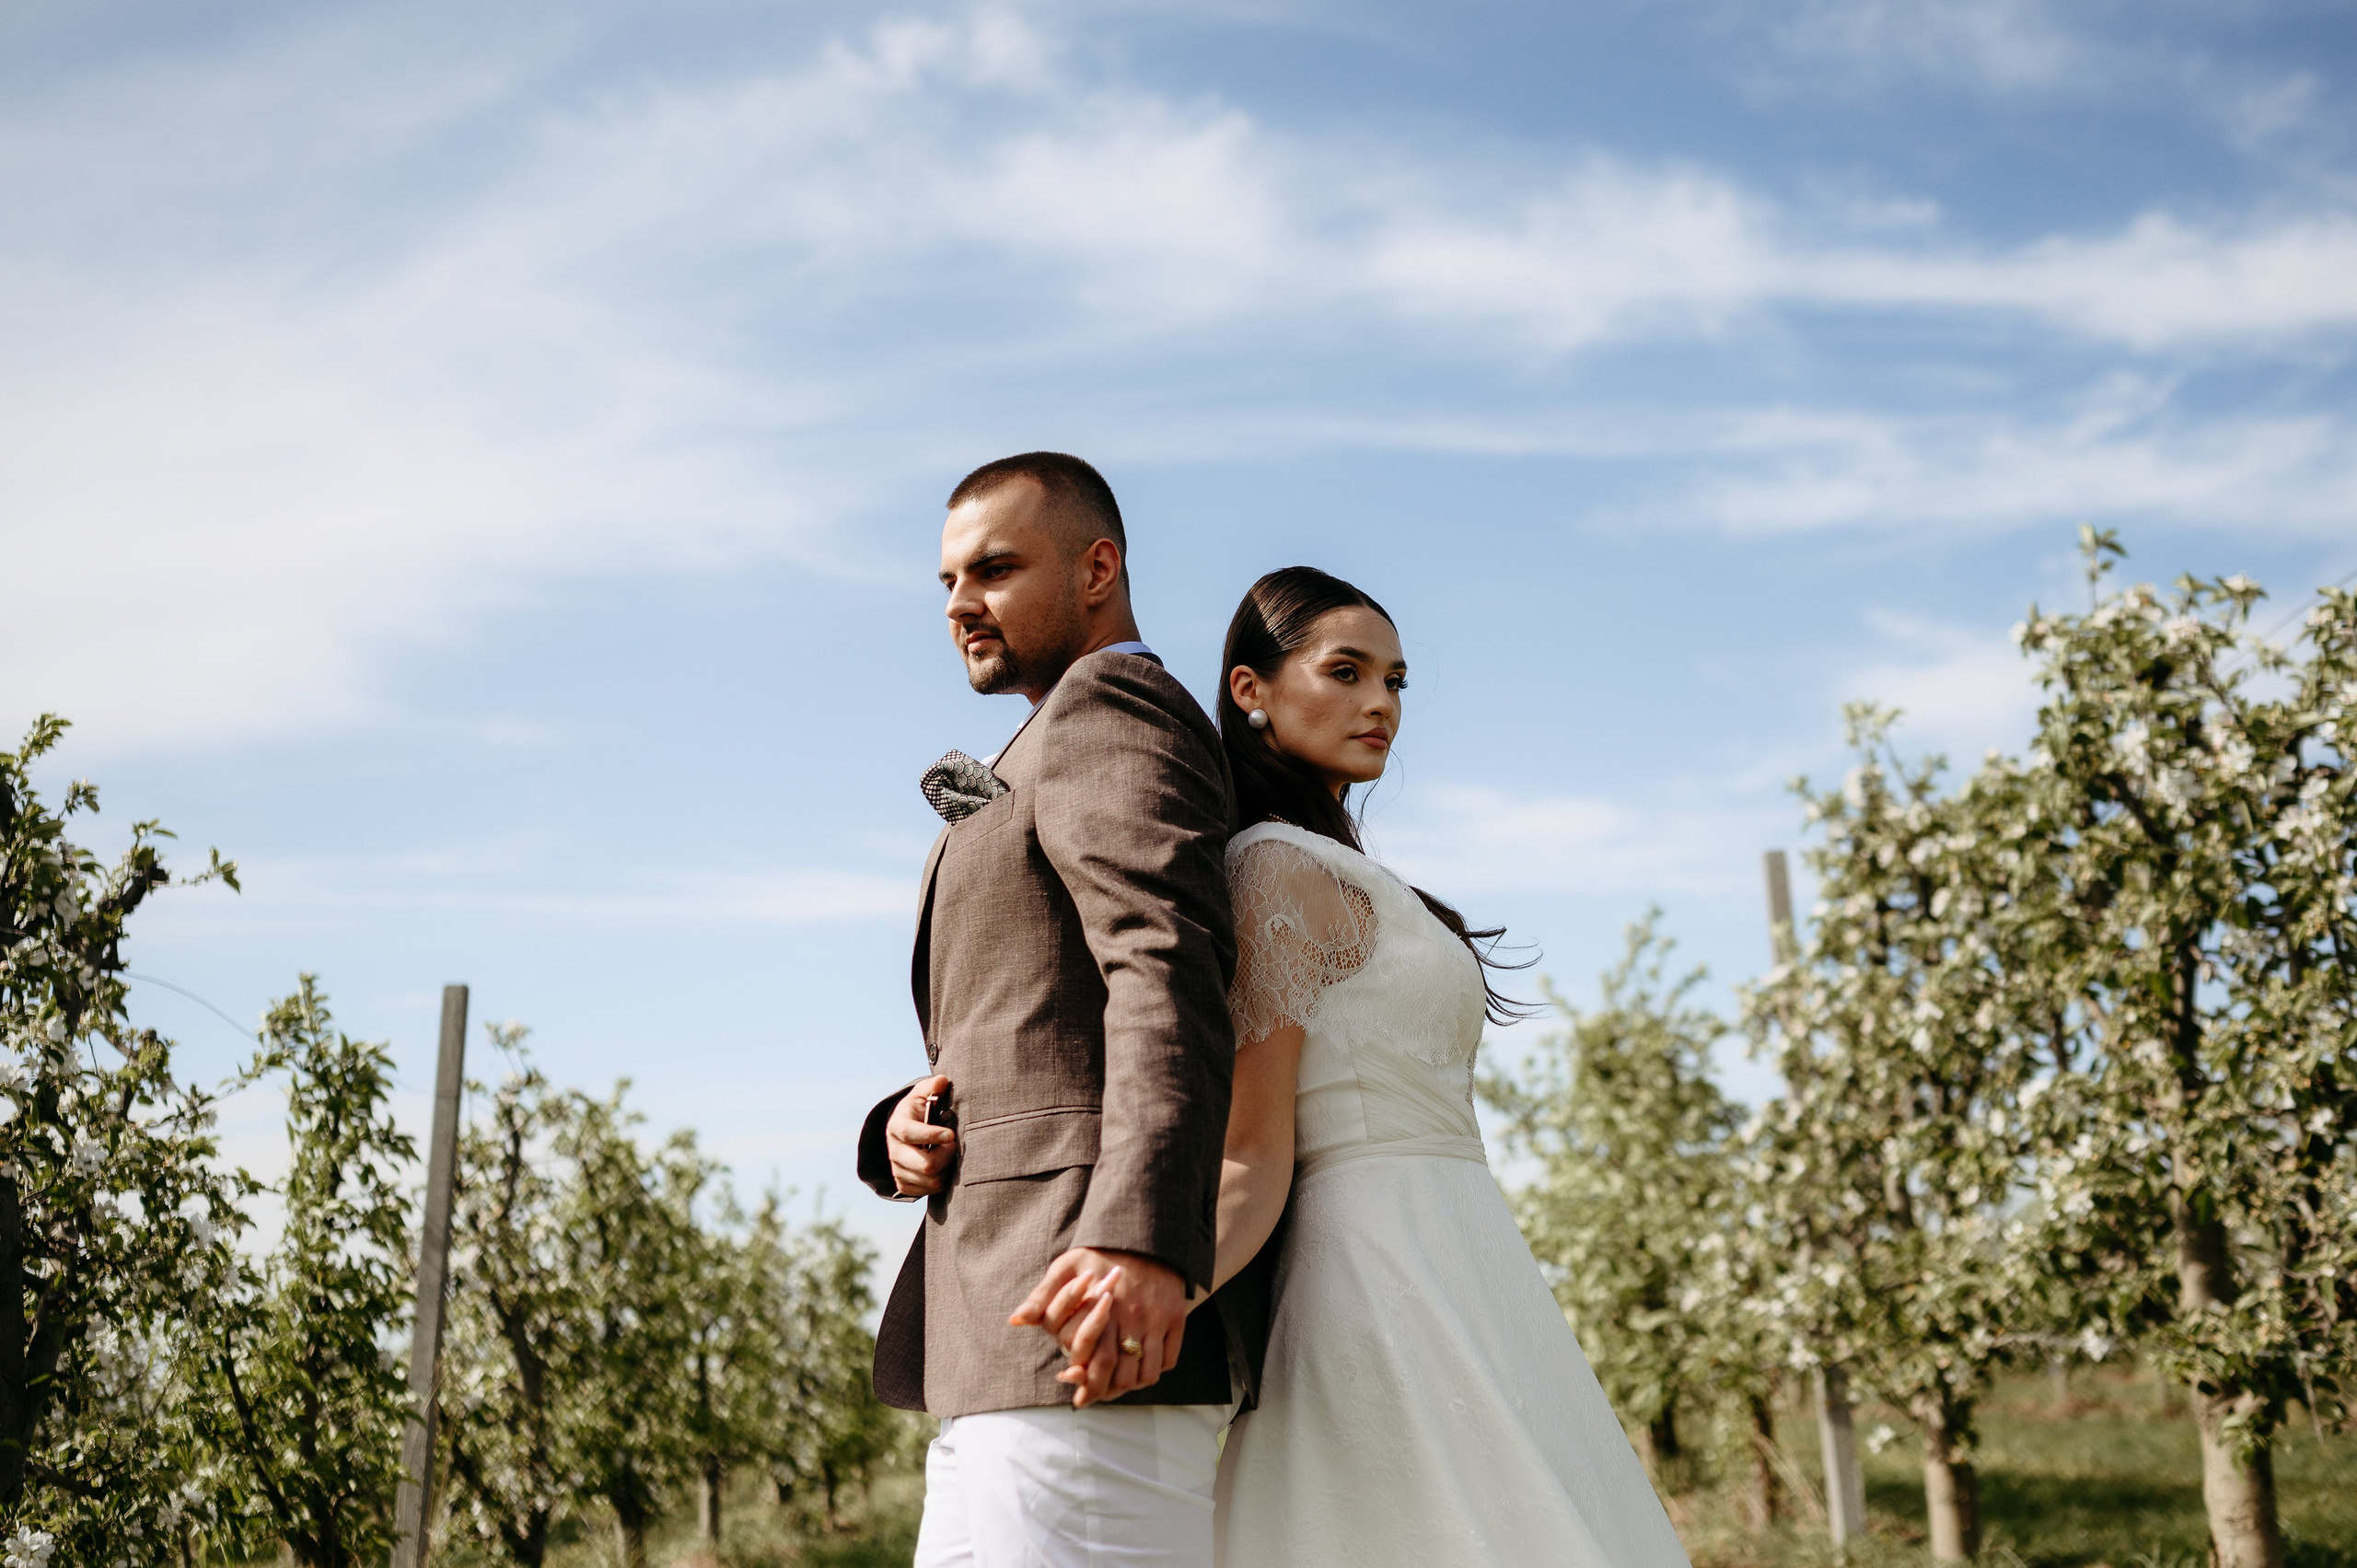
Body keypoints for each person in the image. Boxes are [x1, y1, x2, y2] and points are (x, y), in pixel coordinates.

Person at [1024, 567, 1694, 1568]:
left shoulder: (1350, 869)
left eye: (1395, 680)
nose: (1379, 702)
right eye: (1344, 671)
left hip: (1466, 1254)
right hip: (1373, 1277)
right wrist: (1153, 1278)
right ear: (1249, 689)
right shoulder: (1274, 867)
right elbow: (1254, 1149)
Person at [854, 453, 1271, 1568]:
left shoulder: (1112, 701)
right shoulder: (1046, 733)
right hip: (997, 1332)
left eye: (993, 569)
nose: (958, 604)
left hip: (1088, 1320)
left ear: (1098, 568)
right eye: (947, 580)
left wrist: (1140, 1237)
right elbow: (1034, 1012)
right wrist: (902, 1120)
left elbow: (1164, 969)